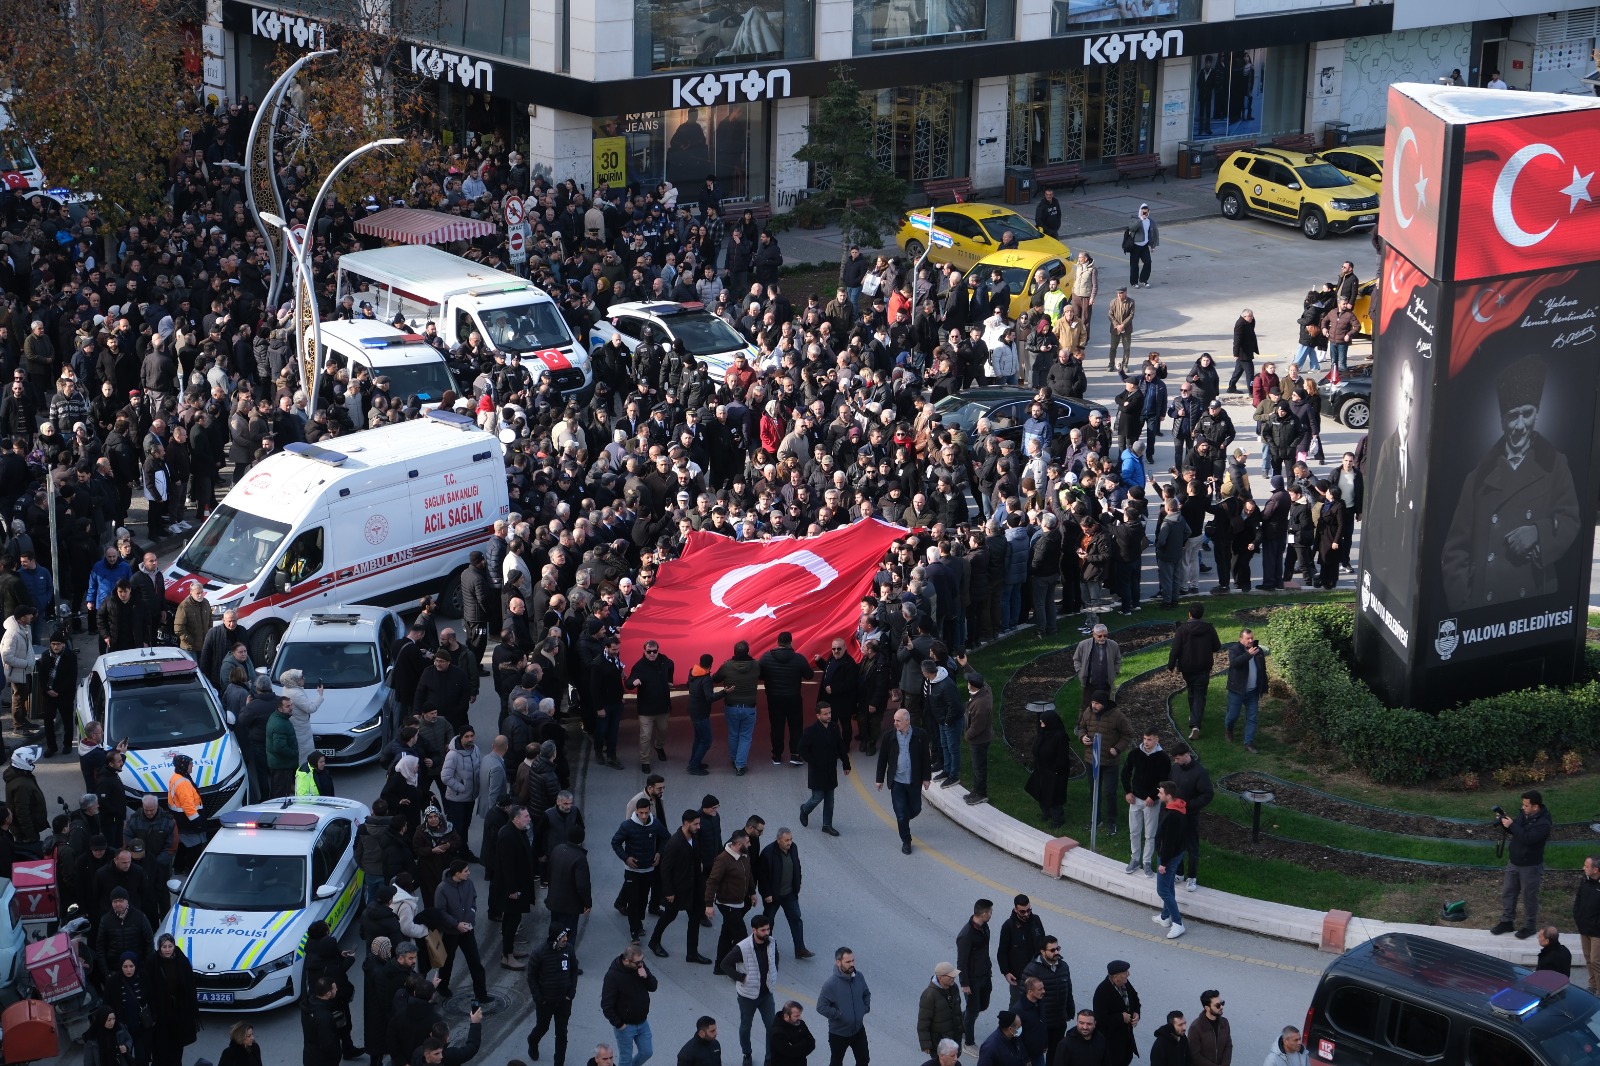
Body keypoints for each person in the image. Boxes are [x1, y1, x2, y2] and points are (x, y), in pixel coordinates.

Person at [1441, 356, 1579, 612]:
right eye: (1512, 416)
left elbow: (1570, 519)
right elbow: (1455, 551)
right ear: (1501, 420)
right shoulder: (1478, 476)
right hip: (1484, 605)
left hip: (1534, 602)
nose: (1519, 425)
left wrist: (1537, 533)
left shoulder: (1556, 464)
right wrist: (1465, 604)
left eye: (1527, 414)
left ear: (1537, 416)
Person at [1492, 790, 1553, 939]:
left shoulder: (1543, 824)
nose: (1523, 807)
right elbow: (1516, 832)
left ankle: (1530, 926)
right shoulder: (1524, 814)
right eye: (1523, 804)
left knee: (1529, 896)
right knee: (1508, 892)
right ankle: (1507, 921)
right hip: (1514, 862)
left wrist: (1512, 825)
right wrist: (1505, 823)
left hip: (1530, 866)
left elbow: (1528, 838)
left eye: (1526, 805)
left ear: (1535, 807)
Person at [720, 913, 779, 1066]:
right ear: (754, 930)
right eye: (763, 930)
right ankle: (747, 1054)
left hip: (766, 994)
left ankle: (770, 1058)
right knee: (746, 1027)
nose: (767, 933)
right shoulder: (742, 947)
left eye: (768, 929)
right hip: (747, 995)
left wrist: (773, 975)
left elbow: (775, 959)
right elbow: (724, 964)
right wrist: (741, 978)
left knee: (771, 1026)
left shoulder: (772, 942)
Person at [650, 808, 709, 962]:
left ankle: (692, 953)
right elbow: (665, 868)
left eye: (699, 823)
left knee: (695, 918)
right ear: (685, 823)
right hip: (678, 889)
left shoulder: (694, 838)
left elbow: (696, 856)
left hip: (693, 887)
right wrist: (669, 891)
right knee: (669, 916)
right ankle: (654, 942)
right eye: (695, 824)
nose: (698, 827)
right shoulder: (674, 842)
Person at [874, 708, 933, 855]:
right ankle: (906, 841)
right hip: (897, 782)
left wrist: (926, 778)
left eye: (898, 720)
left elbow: (926, 758)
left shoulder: (921, 735)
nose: (895, 723)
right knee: (900, 813)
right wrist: (879, 779)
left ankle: (904, 821)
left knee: (915, 809)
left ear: (907, 721)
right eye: (894, 720)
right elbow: (882, 759)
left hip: (913, 780)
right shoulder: (889, 737)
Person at [1077, 691, 1133, 836]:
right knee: (1094, 791)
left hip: (1110, 762)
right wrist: (1082, 737)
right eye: (1092, 703)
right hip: (1091, 760)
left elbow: (1127, 734)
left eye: (1097, 703)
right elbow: (1081, 727)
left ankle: (1111, 821)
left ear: (1104, 704)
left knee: (1110, 792)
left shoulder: (1117, 716)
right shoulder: (1087, 712)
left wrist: (1117, 748)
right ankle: (1096, 819)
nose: (1094, 706)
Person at [434, 860, 488, 1001]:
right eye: (466, 871)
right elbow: (440, 911)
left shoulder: (468, 883)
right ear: (457, 874)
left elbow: (474, 899)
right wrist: (456, 924)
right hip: (451, 932)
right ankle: (442, 986)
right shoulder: (442, 889)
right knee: (447, 961)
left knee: (475, 961)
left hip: (467, 929)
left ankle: (482, 994)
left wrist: (472, 911)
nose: (469, 873)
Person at [759, 632, 814, 767]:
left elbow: (759, 675)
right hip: (793, 698)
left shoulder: (766, 658)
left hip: (774, 698)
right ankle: (795, 754)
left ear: (777, 642)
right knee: (796, 727)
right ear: (791, 643)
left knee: (776, 727)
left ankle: (777, 755)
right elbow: (809, 675)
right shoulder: (799, 658)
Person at [492, 804, 536, 969]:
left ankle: (509, 950)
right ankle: (507, 956)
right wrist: (512, 891)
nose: (529, 819)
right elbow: (508, 867)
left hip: (518, 886)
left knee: (513, 920)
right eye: (526, 816)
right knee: (511, 921)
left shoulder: (516, 831)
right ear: (516, 819)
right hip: (512, 890)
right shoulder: (508, 836)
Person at [527, 927, 579, 1066]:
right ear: (555, 938)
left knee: (562, 1034)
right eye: (563, 938)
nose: (566, 940)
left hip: (564, 1001)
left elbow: (574, 970)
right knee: (542, 1027)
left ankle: (559, 1063)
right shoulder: (539, 953)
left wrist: (571, 992)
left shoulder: (569, 949)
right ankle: (532, 1041)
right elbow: (531, 977)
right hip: (545, 1002)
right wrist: (539, 998)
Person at [1168, 605, 1221, 740]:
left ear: (1189, 614)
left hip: (1187, 668)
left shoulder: (1182, 629)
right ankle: (1195, 723)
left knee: (1191, 689)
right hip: (1203, 667)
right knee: (1199, 694)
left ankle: (1194, 718)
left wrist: (1171, 666)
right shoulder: (1209, 628)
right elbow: (1217, 646)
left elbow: (1175, 649)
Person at [601, 943, 658, 1066]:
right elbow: (606, 1004)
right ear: (626, 961)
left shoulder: (640, 967)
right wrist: (619, 1023)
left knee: (647, 1052)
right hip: (625, 1026)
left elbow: (653, 987)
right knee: (625, 1058)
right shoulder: (613, 976)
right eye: (637, 962)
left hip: (642, 1022)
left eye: (642, 960)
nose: (641, 964)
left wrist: (646, 977)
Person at [1121, 729, 1169, 877]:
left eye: (1149, 739)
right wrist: (1128, 791)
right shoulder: (1135, 753)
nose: (1145, 742)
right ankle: (1135, 859)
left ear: (1157, 740)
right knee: (1134, 831)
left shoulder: (1163, 758)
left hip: (1151, 802)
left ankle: (1146, 861)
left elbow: (1163, 780)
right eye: (1144, 739)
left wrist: (1153, 796)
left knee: (1150, 834)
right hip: (1135, 799)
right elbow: (1125, 772)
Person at [757, 827, 810, 959]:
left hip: (789, 894)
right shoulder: (768, 853)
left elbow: (797, 866)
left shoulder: (793, 848)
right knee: (768, 922)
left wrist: (798, 882)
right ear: (778, 840)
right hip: (773, 896)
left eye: (791, 839)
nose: (789, 842)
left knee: (796, 919)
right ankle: (765, 950)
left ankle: (800, 949)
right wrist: (766, 894)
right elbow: (762, 876)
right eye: (787, 840)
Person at [798, 703, 849, 836]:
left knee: (830, 799)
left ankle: (827, 825)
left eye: (829, 713)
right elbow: (801, 748)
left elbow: (840, 745)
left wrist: (846, 763)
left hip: (830, 768)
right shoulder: (811, 731)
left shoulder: (834, 727)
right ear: (818, 715)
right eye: (825, 714)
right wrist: (813, 761)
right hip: (817, 769)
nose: (828, 716)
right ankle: (805, 809)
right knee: (817, 797)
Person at [1168, 744, 1213, 892]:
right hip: (1175, 814)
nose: (1176, 761)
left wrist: (1189, 806)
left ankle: (1192, 876)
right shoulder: (1175, 768)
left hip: (1190, 815)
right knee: (1176, 844)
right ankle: (1179, 873)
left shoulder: (1199, 772)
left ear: (1186, 755)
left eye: (1178, 758)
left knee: (1192, 847)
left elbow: (1207, 794)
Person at [815, 947, 871, 1066]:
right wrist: (839, 1015)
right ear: (838, 962)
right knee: (836, 1062)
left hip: (858, 1030)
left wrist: (864, 1008)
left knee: (864, 1060)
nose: (852, 964)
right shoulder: (831, 984)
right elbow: (821, 1007)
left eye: (853, 960)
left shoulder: (859, 976)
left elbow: (866, 994)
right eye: (848, 962)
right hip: (839, 1033)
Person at [1021, 938, 1073, 1060]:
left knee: (1056, 1055)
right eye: (1052, 950)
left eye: (1058, 948)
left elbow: (1068, 990)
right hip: (1042, 1023)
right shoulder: (1032, 970)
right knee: (1037, 1054)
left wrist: (1070, 1010)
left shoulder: (1063, 966)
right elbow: (1024, 998)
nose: (1056, 952)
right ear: (1042, 952)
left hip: (1059, 1020)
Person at [713, 642, 760, 776]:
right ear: (748, 651)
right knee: (745, 737)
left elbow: (716, 679)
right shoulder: (756, 665)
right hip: (749, 708)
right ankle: (740, 765)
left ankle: (734, 760)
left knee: (733, 734)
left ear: (734, 652)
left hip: (731, 706)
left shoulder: (727, 666)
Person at [628, 639, 675, 772]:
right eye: (649, 652)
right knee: (645, 736)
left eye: (655, 651)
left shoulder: (664, 660)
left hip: (662, 707)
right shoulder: (639, 666)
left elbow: (671, 665)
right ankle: (645, 761)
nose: (652, 654)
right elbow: (629, 683)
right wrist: (633, 683)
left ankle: (659, 747)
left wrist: (670, 680)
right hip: (646, 710)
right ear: (644, 651)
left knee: (663, 730)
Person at [1024, 705, 1070, 828]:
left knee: (1054, 796)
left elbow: (1062, 757)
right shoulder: (1044, 732)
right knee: (1041, 791)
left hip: (1054, 772)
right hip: (1042, 769)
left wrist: (1054, 769)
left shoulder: (1060, 737)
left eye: (1043, 722)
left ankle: (1058, 819)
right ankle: (1046, 813)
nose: (1041, 724)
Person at [1223, 630, 1268, 755]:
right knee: (1233, 715)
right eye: (1248, 638)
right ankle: (1228, 729)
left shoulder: (1258, 651)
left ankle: (1248, 743)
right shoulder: (1234, 650)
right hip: (1237, 691)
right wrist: (1248, 655)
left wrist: (1264, 687)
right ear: (1240, 639)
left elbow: (1262, 670)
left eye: (1252, 638)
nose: (1251, 640)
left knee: (1252, 717)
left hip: (1252, 692)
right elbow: (1235, 663)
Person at [956, 900, 993, 1047]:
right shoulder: (966, 935)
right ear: (983, 914)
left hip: (984, 975)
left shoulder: (985, 927)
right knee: (972, 1012)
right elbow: (961, 962)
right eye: (990, 912)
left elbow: (985, 950)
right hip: (972, 979)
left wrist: (988, 967)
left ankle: (958, 1021)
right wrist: (964, 983)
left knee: (983, 1005)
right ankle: (969, 1043)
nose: (991, 915)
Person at [1091, 962, 1140, 1066]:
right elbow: (1100, 1019)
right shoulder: (1102, 991)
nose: (1128, 974)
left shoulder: (1126, 984)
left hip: (1126, 1040)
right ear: (1115, 977)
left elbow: (1135, 999)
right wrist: (1120, 1018)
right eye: (1125, 972)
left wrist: (1136, 1013)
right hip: (1111, 1044)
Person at [918, 963, 963, 1060]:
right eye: (950, 976)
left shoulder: (954, 988)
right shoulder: (929, 995)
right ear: (940, 977)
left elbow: (957, 1012)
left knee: (954, 1060)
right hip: (939, 1042)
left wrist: (961, 1029)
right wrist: (926, 1044)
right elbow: (923, 1021)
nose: (953, 978)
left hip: (955, 1037)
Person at [1072, 626, 1121, 706]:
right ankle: (1083, 719)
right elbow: (1076, 659)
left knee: (1105, 706)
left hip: (1106, 683)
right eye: (1099, 636)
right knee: (1086, 706)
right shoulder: (1083, 645)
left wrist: (1115, 671)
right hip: (1089, 683)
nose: (1103, 638)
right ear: (1094, 635)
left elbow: (1118, 659)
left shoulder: (1113, 645)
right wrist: (1080, 671)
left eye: (1105, 636)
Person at [1575, 855, 1600, 992]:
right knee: (1588, 958)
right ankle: (1593, 985)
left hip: (1597, 932)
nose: (1583, 868)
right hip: (1584, 928)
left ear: (1595, 869)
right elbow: (1578, 900)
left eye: (1586, 866)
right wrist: (1577, 917)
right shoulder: (1585, 880)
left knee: (1596, 961)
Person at [768, 1002, 816, 1066]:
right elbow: (789, 1053)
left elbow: (812, 1042)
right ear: (786, 1016)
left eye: (800, 1014)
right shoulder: (778, 1033)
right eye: (796, 1016)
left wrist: (796, 1048)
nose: (800, 1018)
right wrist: (804, 1043)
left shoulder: (800, 1023)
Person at [1189, 992, 1231, 1066]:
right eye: (1217, 1005)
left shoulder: (1225, 1023)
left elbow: (1228, 1046)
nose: (1221, 1007)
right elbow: (1195, 1055)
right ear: (1207, 1008)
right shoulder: (1195, 1027)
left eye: (1222, 1003)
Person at [1125, 204, 1158, 288]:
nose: (1145, 214)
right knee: (1134, 265)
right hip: (1135, 246)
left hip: (1144, 246)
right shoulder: (1134, 219)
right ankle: (1134, 282)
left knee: (1148, 263)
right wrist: (1140, 220)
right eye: (1143, 212)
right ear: (1140, 211)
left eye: (1146, 213)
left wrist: (1153, 245)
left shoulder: (1150, 221)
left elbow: (1153, 233)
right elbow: (1132, 228)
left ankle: (1144, 279)